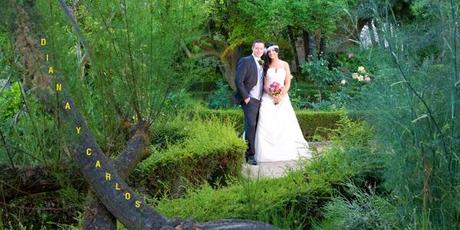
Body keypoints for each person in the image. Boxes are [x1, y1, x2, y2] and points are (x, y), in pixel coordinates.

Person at [254, 44, 311, 163]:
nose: (271, 54)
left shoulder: (285, 64)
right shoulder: (266, 65)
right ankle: (265, 153)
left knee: (286, 123)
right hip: (268, 98)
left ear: (277, 52)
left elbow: (287, 83)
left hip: (283, 98)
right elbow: (265, 84)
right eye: (269, 53)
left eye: (273, 52)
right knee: (266, 122)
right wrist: (273, 95)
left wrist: (281, 95)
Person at [234, 40, 265, 165]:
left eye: (261, 49)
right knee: (251, 125)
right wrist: (246, 97)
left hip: (261, 100)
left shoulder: (263, 63)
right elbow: (238, 80)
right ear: (252, 48)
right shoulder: (245, 61)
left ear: (263, 50)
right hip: (250, 99)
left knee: (257, 126)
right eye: (256, 48)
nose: (258, 51)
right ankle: (250, 155)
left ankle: (243, 146)